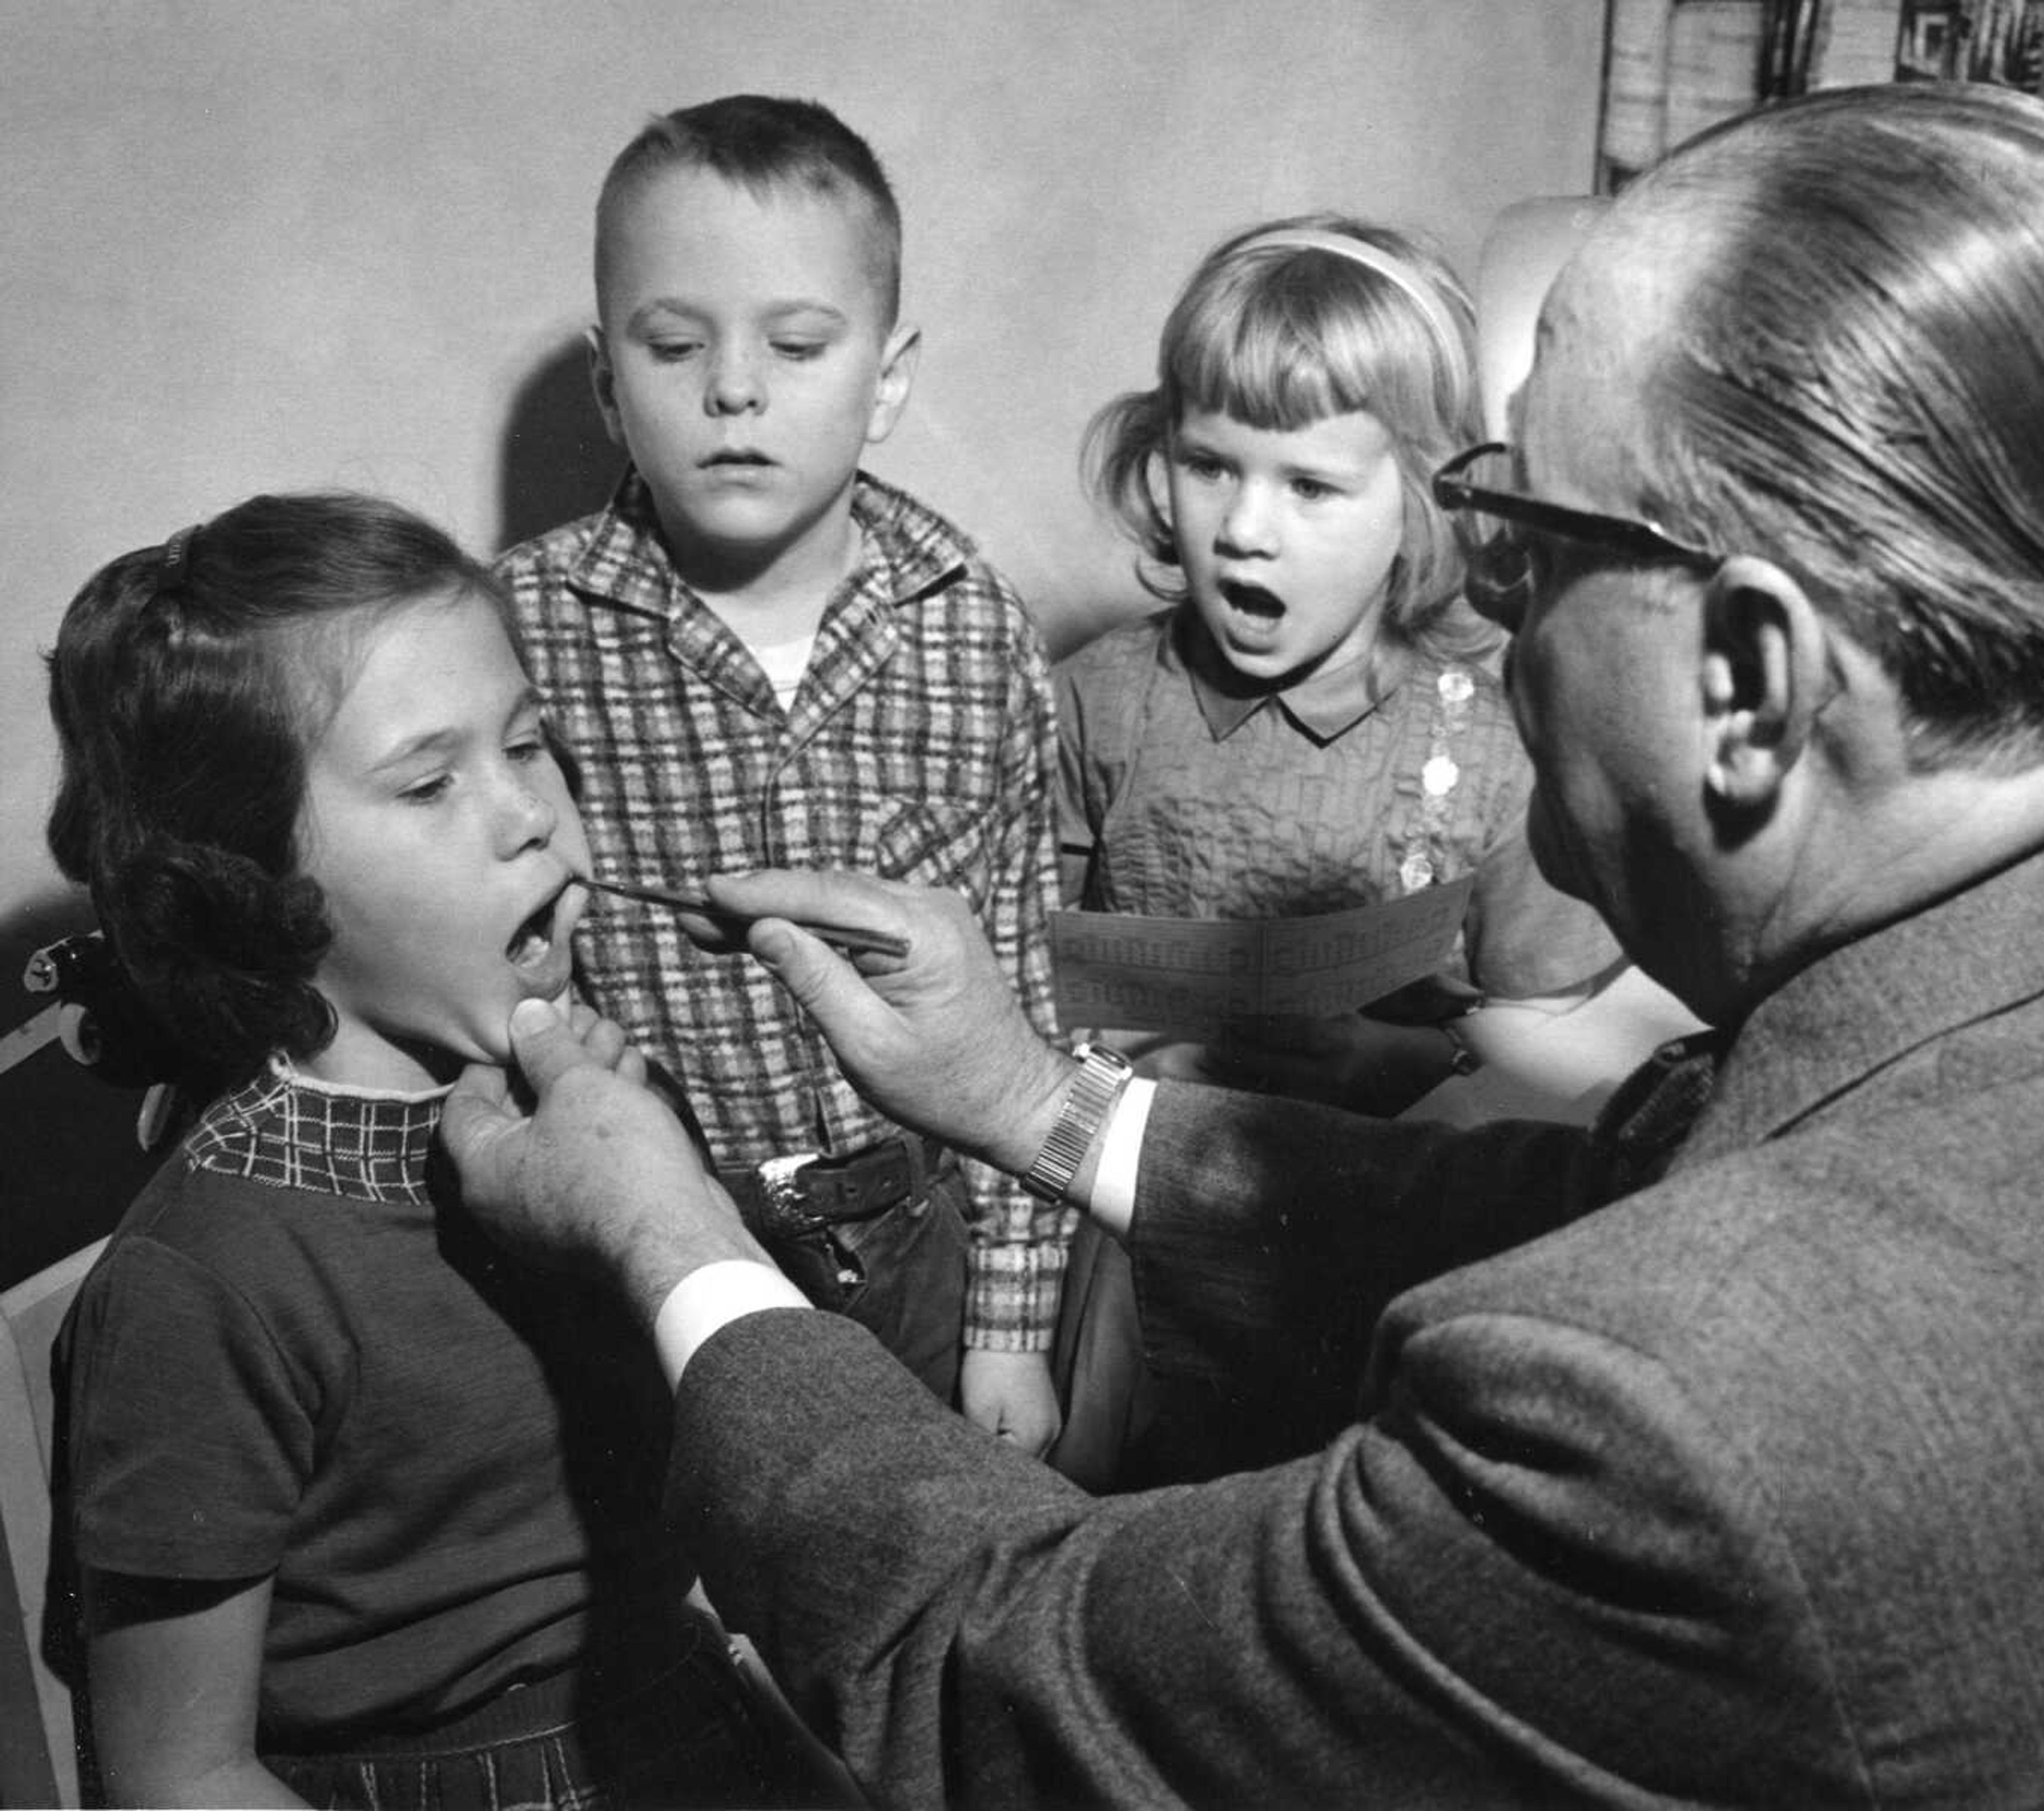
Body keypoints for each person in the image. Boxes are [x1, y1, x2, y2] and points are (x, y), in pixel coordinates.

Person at [444, 83, 2044, 1807]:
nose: (1483, 608)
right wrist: (1030, 1094)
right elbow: (1601, 1191)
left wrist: (666, 1230)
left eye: (1526, 542)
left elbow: (999, 1672)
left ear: (1748, 683)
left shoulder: (1674, 1418)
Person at [42, 494, 807, 1806]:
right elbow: (183, 1776)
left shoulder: (603, 1113)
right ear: (252, 875)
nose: (529, 816)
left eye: (530, 745)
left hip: (687, 1719)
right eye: (430, 779)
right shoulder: (211, 1274)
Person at [1053, 212, 1682, 1485]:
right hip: (1112, 1226)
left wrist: (1380, 1056)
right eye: (1209, 463)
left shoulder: (1500, 721)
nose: (1242, 528)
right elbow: (1025, 965)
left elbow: (1543, 1028)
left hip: (1363, 1249)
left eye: (1311, 486)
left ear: (1422, 503)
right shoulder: (1098, 698)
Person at [494, 93, 1066, 1449]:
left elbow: (1028, 992)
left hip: (913, 1233)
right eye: (676, 343)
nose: (735, 388)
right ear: (607, 385)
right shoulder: (519, 628)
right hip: (650, 1248)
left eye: (798, 343)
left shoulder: (971, 623)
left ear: (887, 378)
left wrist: (1011, 1323)